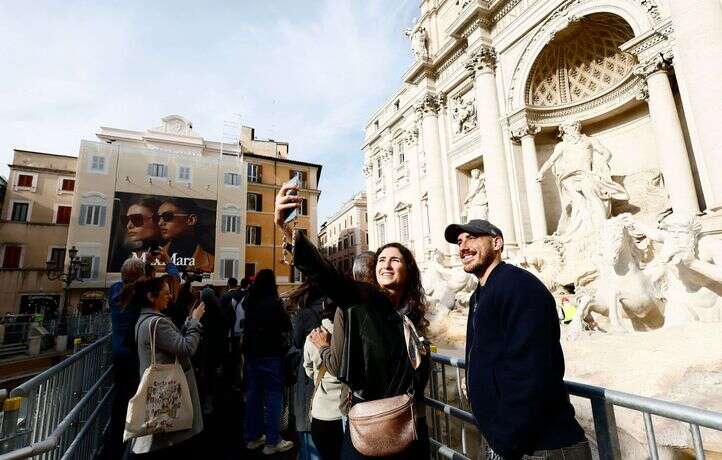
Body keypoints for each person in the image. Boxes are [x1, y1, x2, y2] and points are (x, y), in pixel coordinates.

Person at [276, 183, 431, 459]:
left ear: (409, 270)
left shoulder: (410, 317)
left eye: (396, 260)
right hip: (370, 430)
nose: (386, 264)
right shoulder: (367, 299)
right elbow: (328, 276)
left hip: (410, 431)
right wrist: (287, 231)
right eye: (382, 259)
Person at [444, 219, 590, 460]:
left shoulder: (519, 286)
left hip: (540, 447)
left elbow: (531, 371)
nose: (463, 247)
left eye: (472, 238)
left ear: (497, 243)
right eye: (460, 242)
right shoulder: (480, 294)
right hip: (507, 441)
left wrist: (504, 441)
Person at [124, 274, 205, 457]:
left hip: (158, 386)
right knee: (172, 436)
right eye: (165, 293)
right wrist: (195, 321)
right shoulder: (158, 323)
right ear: (151, 297)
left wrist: (186, 325)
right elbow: (186, 348)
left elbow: (173, 343)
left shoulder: (144, 320)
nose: (170, 296)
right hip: (169, 388)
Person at [242, 269, 294, 455]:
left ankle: (253, 437)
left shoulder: (250, 300)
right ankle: (272, 441)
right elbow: (286, 325)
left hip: (252, 353)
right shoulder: (274, 303)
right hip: (271, 353)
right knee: (274, 396)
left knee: (253, 395)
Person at [287, 281, 326, 460]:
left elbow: (295, 342)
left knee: (306, 420)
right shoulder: (332, 311)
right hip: (328, 373)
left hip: (308, 371)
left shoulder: (304, 315)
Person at [304, 299, 344, 460]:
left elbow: (308, 369)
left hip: (321, 411)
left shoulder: (313, 336)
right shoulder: (351, 336)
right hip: (346, 411)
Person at [198, 286, 231, 416]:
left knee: (207, 373)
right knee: (215, 374)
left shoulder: (203, 312)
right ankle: (215, 400)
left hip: (206, 348)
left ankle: (207, 400)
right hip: (219, 347)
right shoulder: (221, 310)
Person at [156, 198, 214, 272]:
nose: (160, 223)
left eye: (167, 216)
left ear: (191, 220)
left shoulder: (212, 263)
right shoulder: (152, 258)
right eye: (158, 217)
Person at [220, 277, 247, 390]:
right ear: (236, 285)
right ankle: (240, 379)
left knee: (232, 357)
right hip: (241, 331)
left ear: (228, 284)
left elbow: (223, 315)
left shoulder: (226, 296)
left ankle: (231, 380)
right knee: (240, 357)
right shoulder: (242, 295)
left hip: (230, 331)